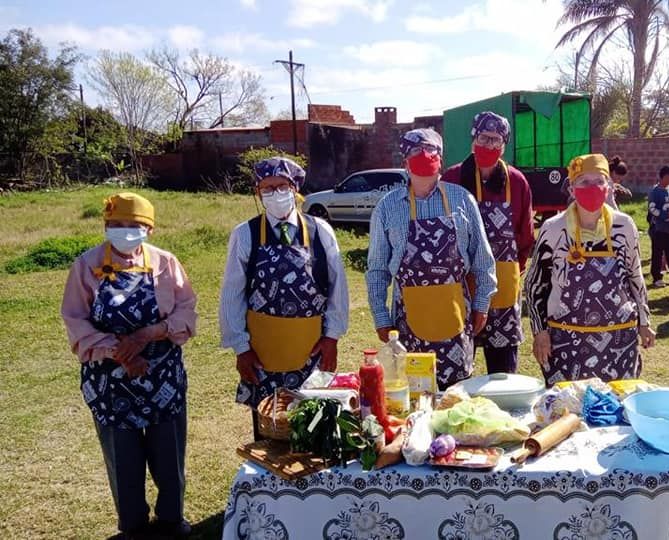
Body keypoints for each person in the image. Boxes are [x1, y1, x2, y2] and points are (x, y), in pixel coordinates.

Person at [61, 193, 197, 538]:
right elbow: (75, 319)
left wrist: (155, 331)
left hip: (161, 379)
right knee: (123, 459)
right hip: (110, 381)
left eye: (134, 225)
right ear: (106, 227)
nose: (125, 231)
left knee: (169, 455)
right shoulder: (85, 266)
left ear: (148, 229)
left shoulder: (166, 263)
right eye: (116, 225)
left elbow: (186, 309)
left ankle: (171, 518)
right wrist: (120, 352)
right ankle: (132, 524)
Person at [219, 157, 349, 437]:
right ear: (258, 194)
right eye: (267, 189)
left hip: (311, 351)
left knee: (314, 426)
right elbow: (232, 293)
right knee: (270, 432)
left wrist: (332, 337)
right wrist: (241, 348)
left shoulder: (319, 230)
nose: (275, 194)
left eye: (281, 186)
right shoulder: (245, 235)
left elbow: (338, 287)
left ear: (294, 189)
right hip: (262, 356)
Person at [367, 128, 496, 390]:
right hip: (408, 326)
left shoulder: (462, 199)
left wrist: (482, 303)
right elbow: (377, 269)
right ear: (405, 161)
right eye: (416, 151)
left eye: (431, 150)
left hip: (456, 320)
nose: (424, 155)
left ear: (441, 158)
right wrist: (381, 317)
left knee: (455, 401)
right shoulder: (388, 206)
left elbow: (483, 259)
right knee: (414, 399)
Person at [524, 154, 655, 385]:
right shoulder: (553, 229)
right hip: (566, 342)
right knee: (569, 409)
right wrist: (540, 332)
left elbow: (635, 276)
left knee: (615, 407)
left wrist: (644, 322)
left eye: (599, 181)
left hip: (619, 340)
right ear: (572, 188)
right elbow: (535, 286)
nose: (592, 188)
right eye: (584, 182)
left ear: (609, 187)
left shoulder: (624, 226)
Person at [440, 111, 534, 374]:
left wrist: (513, 271)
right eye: (484, 137)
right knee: (456, 370)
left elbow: (525, 237)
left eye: (496, 140)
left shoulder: (517, 182)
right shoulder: (452, 179)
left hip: (502, 288)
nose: (489, 145)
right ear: (473, 139)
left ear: (504, 145)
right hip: (461, 288)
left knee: (503, 373)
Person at [647, 165, 669, 288]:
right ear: (665, 176)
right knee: (657, 253)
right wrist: (666, 215)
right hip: (658, 228)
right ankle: (657, 277)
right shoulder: (655, 192)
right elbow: (652, 209)